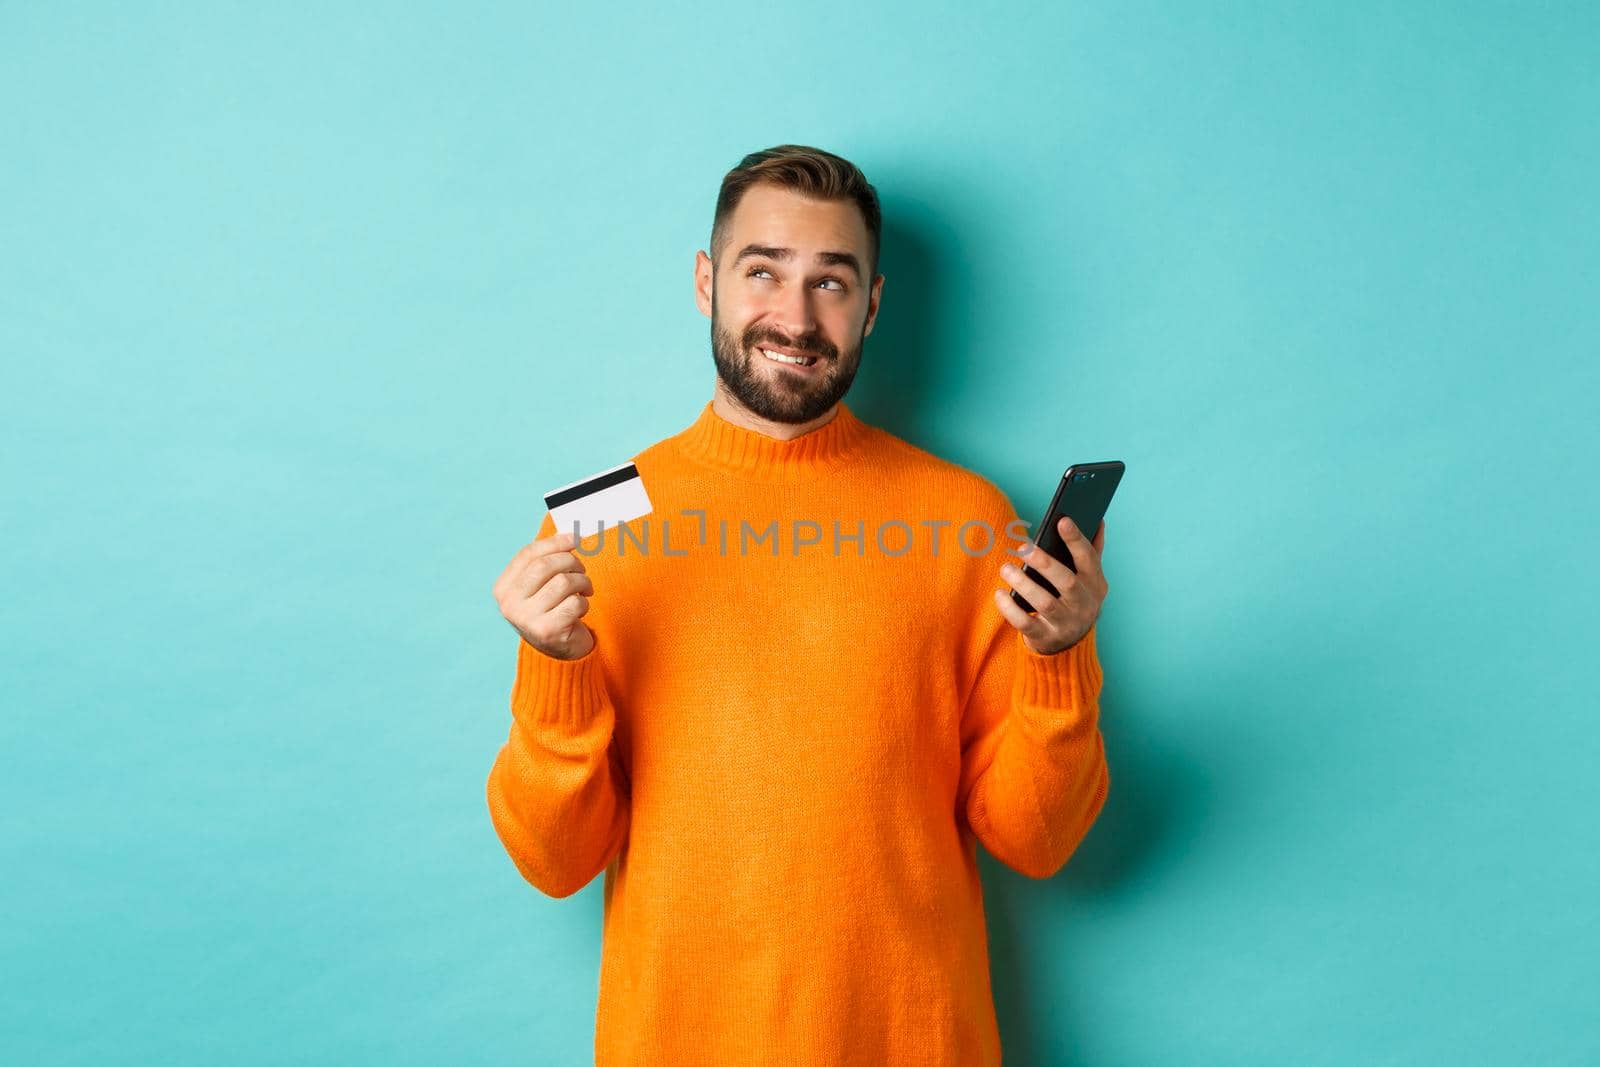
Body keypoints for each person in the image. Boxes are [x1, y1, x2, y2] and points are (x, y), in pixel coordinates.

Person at [486, 144, 1111, 1065]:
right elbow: (554, 861)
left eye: (832, 281)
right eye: (763, 271)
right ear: (707, 282)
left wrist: (1061, 660)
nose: (795, 314)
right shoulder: (599, 517)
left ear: (873, 305)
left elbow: (1036, 842)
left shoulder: (969, 517)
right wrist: (556, 667)